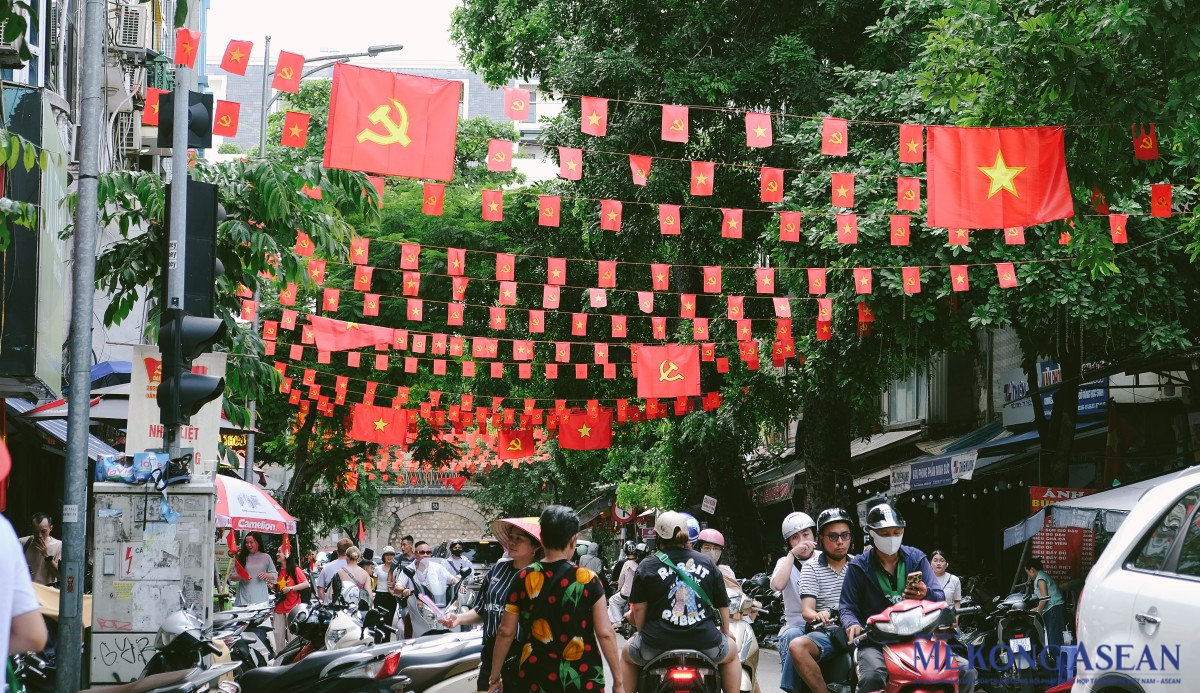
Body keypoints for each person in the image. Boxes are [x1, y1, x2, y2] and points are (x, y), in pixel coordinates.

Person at [838, 503, 974, 693]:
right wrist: (852, 623)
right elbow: (847, 607)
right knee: (872, 677)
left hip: (918, 638)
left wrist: (926, 593)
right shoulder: (858, 567)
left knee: (967, 671)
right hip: (876, 642)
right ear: (871, 533)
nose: (891, 538)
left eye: (897, 532)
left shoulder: (917, 558)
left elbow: (939, 598)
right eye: (884, 533)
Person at [488, 505, 623, 693]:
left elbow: (505, 631)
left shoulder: (522, 578)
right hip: (581, 679)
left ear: (542, 539)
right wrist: (618, 682)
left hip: (536, 678)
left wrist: (494, 677)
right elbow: (605, 633)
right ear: (573, 540)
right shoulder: (588, 580)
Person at [622, 511, 736, 693]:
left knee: (627, 654)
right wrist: (725, 632)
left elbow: (639, 610)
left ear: (657, 537)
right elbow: (723, 605)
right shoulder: (707, 563)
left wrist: (642, 634)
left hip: (656, 643)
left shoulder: (647, 565)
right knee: (732, 653)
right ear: (686, 535)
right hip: (705, 642)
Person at [440, 517, 543, 691]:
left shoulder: (539, 578)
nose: (512, 542)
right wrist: (458, 619)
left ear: (535, 547)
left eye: (519, 539)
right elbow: (482, 609)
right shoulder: (497, 570)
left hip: (521, 653)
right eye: (511, 537)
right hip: (491, 650)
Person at [788, 508, 856, 693]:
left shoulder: (859, 564)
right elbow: (807, 610)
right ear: (820, 539)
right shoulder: (811, 567)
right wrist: (819, 615)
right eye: (833, 536)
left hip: (859, 629)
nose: (840, 542)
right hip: (829, 632)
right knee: (796, 646)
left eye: (845, 535)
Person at [772, 511, 818, 693]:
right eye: (795, 538)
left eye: (806, 534)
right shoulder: (785, 562)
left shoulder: (824, 558)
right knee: (791, 636)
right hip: (797, 624)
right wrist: (792, 555)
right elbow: (778, 585)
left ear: (815, 536)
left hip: (824, 623)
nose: (802, 541)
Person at [271, 545, 310, 652]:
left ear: (287, 554)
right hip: (279, 608)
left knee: (293, 639)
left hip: (292, 609)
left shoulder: (295, 570)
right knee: (278, 636)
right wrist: (272, 587)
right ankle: (280, 659)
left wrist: (291, 588)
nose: (277, 554)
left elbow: (306, 584)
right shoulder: (277, 571)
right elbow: (279, 589)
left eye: (280, 552)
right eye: (277, 551)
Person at [1024, 557, 1065, 653]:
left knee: (1054, 639)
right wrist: (1034, 610)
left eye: (1027, 573)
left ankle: (1056, 661)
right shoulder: (1042, 576)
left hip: (1054, 609)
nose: (1028, 576)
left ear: (1032, 570)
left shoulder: (1040, 579)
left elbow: (1044, 598)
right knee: (1053, 637)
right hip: (1054, 609)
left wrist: (1038, 611)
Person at [231, 532, 277, 607]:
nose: (249, 545)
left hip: (261, 599)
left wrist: (266, 575)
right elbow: (232, 576)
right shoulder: (242, 557)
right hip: (243, 598)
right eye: (247, 543)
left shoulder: (266, 557)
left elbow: (275, 575)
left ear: (258, 543)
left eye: (251, 542)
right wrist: (242, 575)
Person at [19, 513, 62, 586]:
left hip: (46, 589)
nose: (39, 535)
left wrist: (47, 556)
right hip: (27, 588)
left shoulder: (59, 545)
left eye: (43, 531)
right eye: (36, 531)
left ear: (51, 528)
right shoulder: (22, 542)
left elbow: (59, 575)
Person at [608, 541, 641, 626]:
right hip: (638, 593)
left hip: (626, 593)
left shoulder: (623, 563)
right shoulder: (641, 563)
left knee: (612, 600)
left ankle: (619, 622)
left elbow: (620, 579)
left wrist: (619, 589)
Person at [317, 538, 353, 604]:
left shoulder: (326, 568)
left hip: (332, 607)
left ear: (337, 551)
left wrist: (327, 602)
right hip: (352, 607)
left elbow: (320, 592)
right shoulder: (358, 569)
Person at [374, 546, 399, 631]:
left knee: (389, 621)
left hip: (391, 597)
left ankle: (387, 638)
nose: (389, 557)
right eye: (387, 554)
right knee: (378, 620)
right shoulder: (378, 568)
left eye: (391, 554)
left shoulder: (397, 569)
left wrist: (394, 585)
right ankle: (378, 638)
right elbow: (374, 584)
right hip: (380, 595)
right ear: (383, 556)